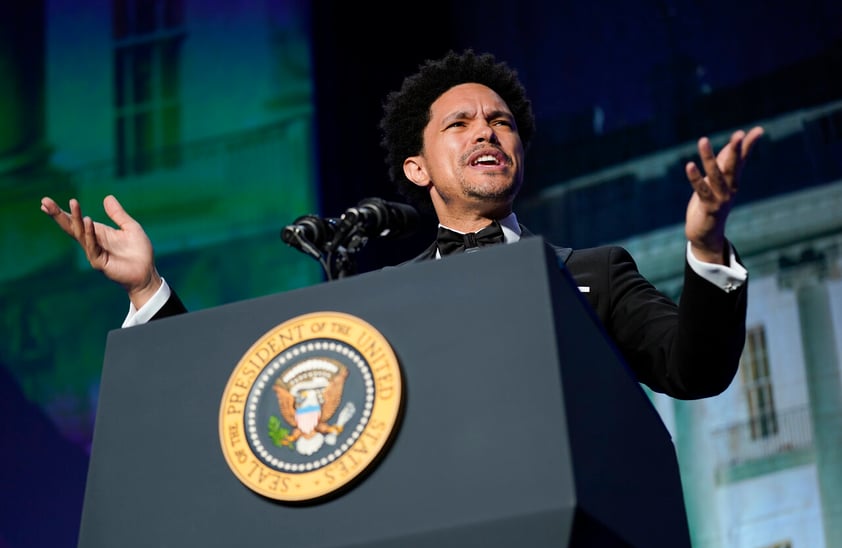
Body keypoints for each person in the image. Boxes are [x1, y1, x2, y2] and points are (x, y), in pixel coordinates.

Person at [41, 49, 764, 400]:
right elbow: (255, 397)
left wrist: (703, 245)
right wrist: (149, 292)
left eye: (502, 122)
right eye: (461, 123)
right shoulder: (374, 298)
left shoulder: (593, 274)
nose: (488, 131)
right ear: (417, 168)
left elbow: (695, 369)